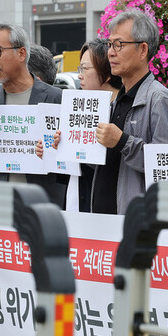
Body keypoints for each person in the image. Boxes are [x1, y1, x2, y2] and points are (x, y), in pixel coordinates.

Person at [0, 23, 66, 207]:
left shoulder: (54, 98)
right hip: (1, 209)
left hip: (43, 208)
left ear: (21, 53)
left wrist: (56, 148)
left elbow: (70, 160)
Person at [91, 9, 168, 215]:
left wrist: (123, 141)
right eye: (110, 44)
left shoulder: (159, 99)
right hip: (101, 224)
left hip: (136, 223)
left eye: (119, 45)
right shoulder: (116, 100)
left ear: (143, 50)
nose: (110, 52)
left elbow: (166, 169)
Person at [36, 39, 122, 211]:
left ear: (107, 73)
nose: (80, 75)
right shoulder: (77, 110)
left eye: (85, 68)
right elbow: (72, 172)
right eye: (79, 69)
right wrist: (53, 153)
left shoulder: (122, 112)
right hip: (79, 204)